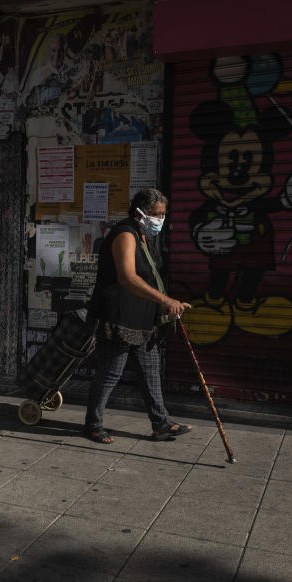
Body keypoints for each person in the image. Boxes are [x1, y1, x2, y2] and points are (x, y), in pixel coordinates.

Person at [83, 188, 191, 444]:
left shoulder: (143, 236)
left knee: (150, 372)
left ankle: (161, 423)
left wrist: (162, 305)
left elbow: (147, 277)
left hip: (141, 319)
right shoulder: (125, 234)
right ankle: (93, 424)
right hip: (119, 318)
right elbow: (127, 277)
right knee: (111, 372)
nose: (160, 220)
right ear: (140, 211)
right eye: (156, 214)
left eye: (163, 214)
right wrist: (164, 299)